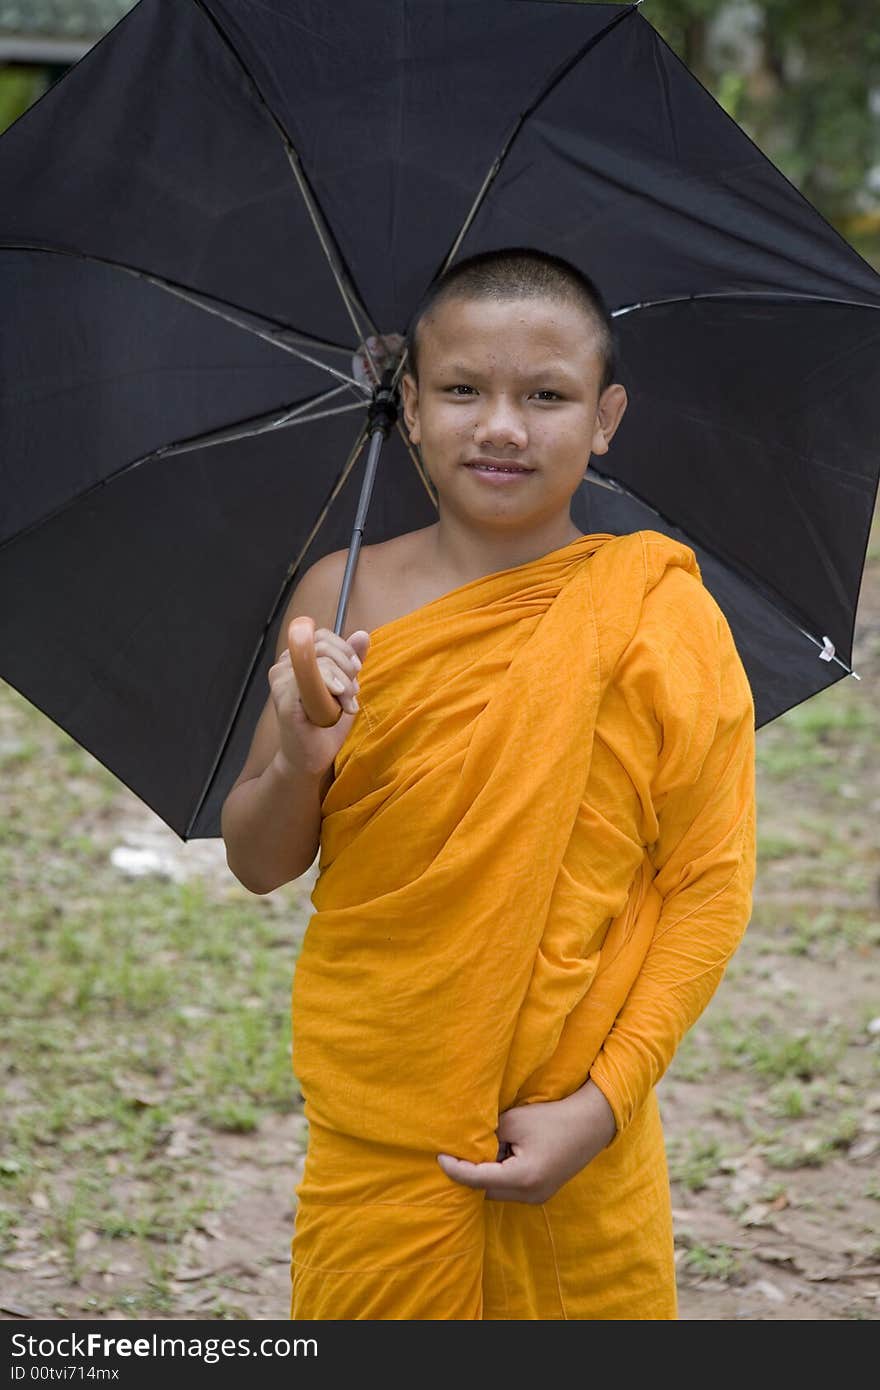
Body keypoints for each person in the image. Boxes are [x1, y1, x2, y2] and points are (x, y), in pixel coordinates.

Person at [220, 247, 757, 1320]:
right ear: (409, 407)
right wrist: (299, 748)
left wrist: (601, 1106)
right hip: (385, 1118)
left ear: (604, 417)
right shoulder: (342, 592)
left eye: (544, 395)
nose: (501, 426)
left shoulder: (655, 611)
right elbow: (259, 859)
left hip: (575, 1123)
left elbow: (708, 883)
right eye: (463, 390)